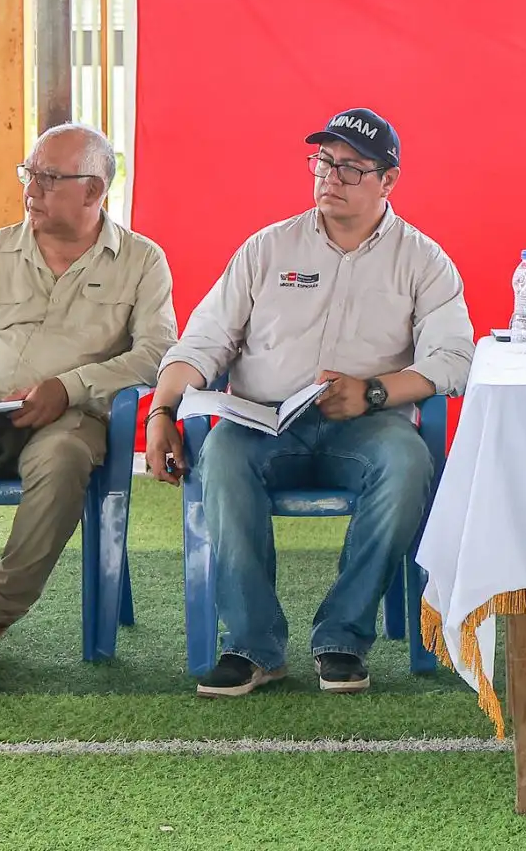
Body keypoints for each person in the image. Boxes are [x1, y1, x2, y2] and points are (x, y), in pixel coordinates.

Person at [145, 108, 474, 697]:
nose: (331, 177)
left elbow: (455, 359)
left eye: (351, 168)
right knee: (222, 455)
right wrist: (162, 411)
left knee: (408, 462)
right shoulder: (267, 248)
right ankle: (252, 646)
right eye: (324, 162)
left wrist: (374, 392)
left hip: (365, 426)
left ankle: (343, 637)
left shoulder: (423, 260)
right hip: (262, 423)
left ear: (389, 180)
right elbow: (203, 341)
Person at [0, 124, 175, 663]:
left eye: (47, 178)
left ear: (93, 190)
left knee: (62, 457)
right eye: (29, 174)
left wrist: (69, 388)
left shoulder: (141, 260)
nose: (31, 190)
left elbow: (158, 354)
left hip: (72, 422)